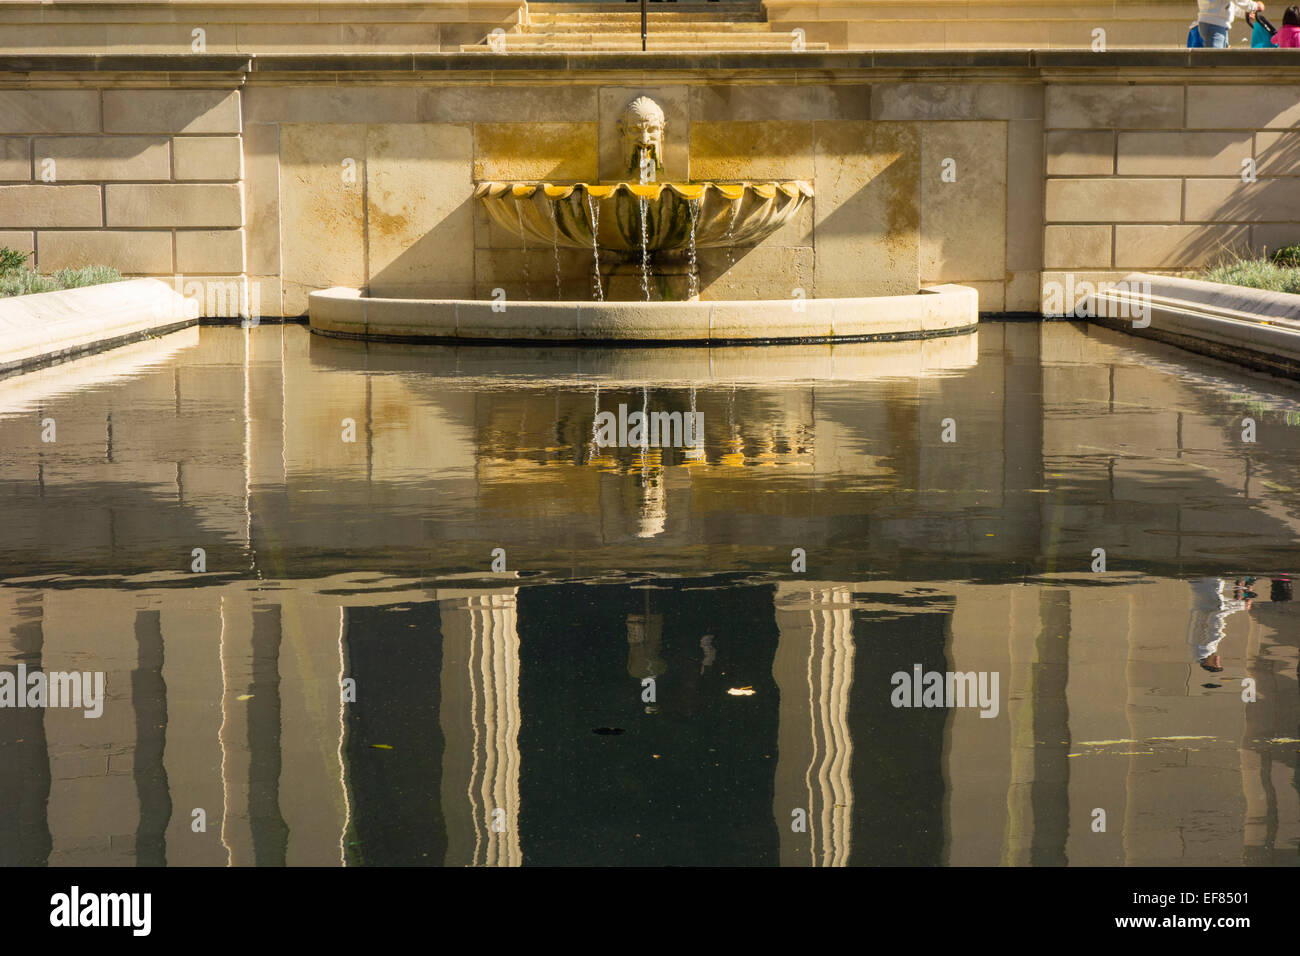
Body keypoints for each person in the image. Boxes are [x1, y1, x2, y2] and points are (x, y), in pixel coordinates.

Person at [1197, 0, 1266, 47]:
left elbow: (1228, 4)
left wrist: (1244, 13)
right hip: (1215, 24)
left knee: (1219, 61)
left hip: (1215, 23)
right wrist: (1254, 6)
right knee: (1215, 62)